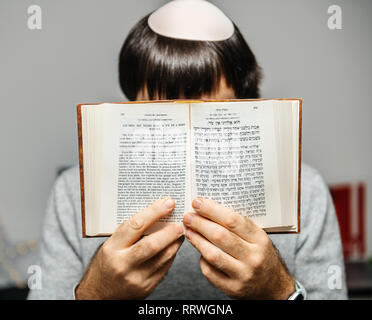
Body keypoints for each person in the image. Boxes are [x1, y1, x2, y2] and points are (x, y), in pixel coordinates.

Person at [28, 1, 347, 300]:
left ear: (245, 102)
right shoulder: (72, 192)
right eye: (164, 112)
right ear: (131, 106)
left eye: (214, 112)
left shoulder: (306, 189)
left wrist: (277, 290)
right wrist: (95, 293)